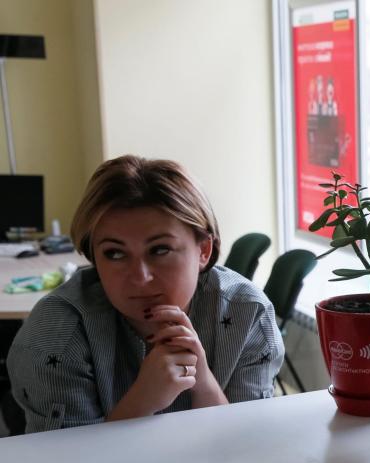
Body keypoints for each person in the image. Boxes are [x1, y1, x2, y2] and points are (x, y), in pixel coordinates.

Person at [8, 155, 285, 433]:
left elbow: (246, 451)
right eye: (115, 254)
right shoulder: (56, 336)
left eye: (160, 250)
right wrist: (142, 401)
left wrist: (202, 381)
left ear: (203, 251)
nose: (140, 278)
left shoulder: (247, 314)